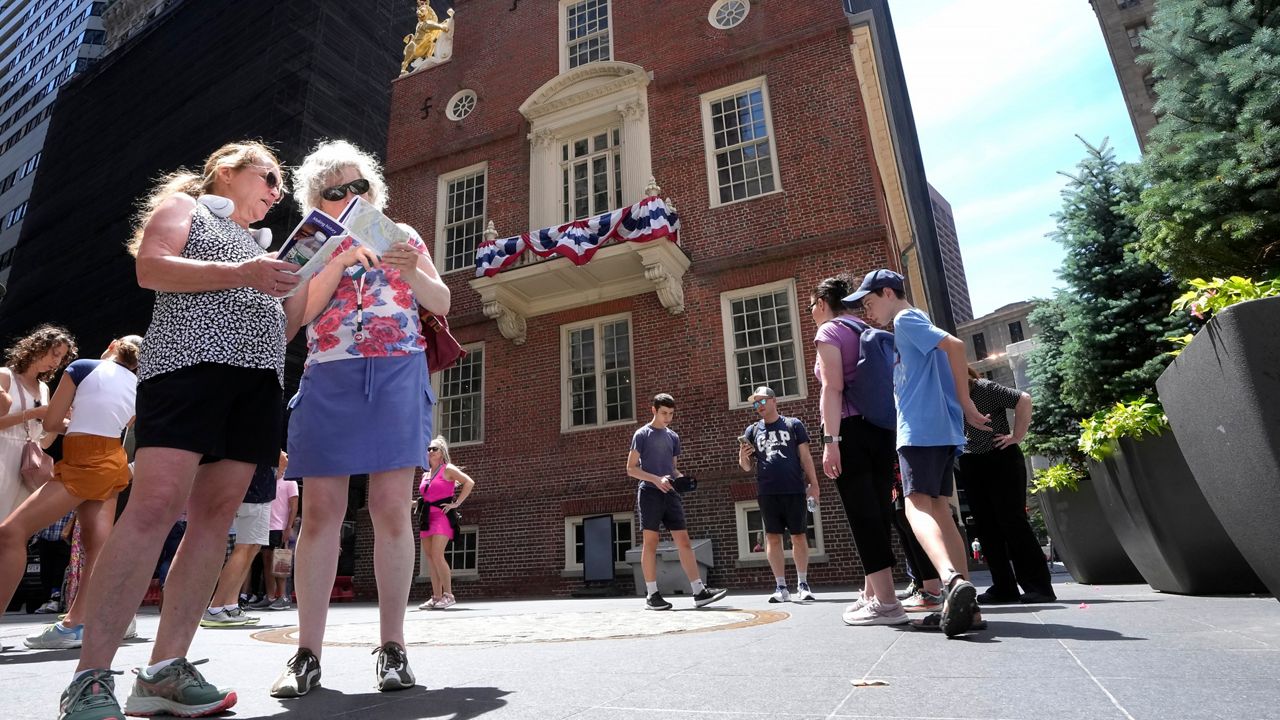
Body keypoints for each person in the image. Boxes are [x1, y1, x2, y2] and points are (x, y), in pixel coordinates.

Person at [56, 141, 308, 720]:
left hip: (257, 383)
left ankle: (165, 672)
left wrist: (328, 268)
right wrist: (243, 271)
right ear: (227, 169)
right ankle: (89, 678)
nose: (275, 191)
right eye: (268, 176)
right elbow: (151, 268)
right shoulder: (183, 208)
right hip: (188, 368)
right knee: (154, 508)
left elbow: (286, 324)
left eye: (281, 187)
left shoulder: (262, 249)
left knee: (215, 521)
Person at [269, 139, 449, 699]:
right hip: (330, 373)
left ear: (373, 190)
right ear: (316, 199)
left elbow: (440, 302)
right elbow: (291, 321)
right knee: (321, 514)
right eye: (335, 190)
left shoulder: (404, 234)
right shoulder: (307, 246)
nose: (350, 196)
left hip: (397, 371)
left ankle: (393, 648)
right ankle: (307, 656)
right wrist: (338, 259)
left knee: (392, 509)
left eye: (358, 186)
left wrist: (411, 269)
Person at [846, 268, 992, 638]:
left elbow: (955, 347)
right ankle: (966, 608)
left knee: (914, 506)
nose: (868, 310)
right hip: (940, 430)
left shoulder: (907, 319)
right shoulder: (910, 324)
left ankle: (950, 579)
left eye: (869, 301)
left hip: (921, 430)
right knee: (941, 509)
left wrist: (965, 403)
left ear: (888, 293)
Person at [5, 336, 143, 650]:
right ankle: (78, 624)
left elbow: (52, 422)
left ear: (111, 345)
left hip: (85, 461)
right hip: (111, 461)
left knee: (10, 532)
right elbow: (116, 426)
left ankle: (73, 624)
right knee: (97, 549)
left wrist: (70, 422)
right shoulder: (137, 388)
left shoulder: (83, 367)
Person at [808, 277, 915, 625]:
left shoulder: (829, 333)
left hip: (849, 430)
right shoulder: (861, 326)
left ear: (823, 302)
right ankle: (872, 593)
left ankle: (886, 603)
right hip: (882, 428)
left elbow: (832, 387)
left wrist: (830, 442)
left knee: (862, 513)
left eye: (811, 304)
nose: (811, 312)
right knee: (880, 510)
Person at [956, 369, 1055, 604]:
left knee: (1012, 522)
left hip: (1001, 456)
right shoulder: (952, 395)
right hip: (971, 461)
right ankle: (1003, 586)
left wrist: (1016, 436)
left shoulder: (983, 388)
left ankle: (1039, 587)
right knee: (986, 527)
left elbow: (1023, 399)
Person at [627, 392, 727, 611]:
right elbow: (631, 468)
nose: (667, 418)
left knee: (683, 541)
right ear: (653, 410)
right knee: (650, 543)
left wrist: (680, 478)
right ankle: (652, 595)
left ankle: (699, 591)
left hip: (670, 493)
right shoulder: (641, 434)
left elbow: (671, 468)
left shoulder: (673, 437)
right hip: (650, 493)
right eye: (664, 413)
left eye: (671, 414)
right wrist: (655, 479)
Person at [736, 386, 819, 603]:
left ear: (774, 401)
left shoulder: (793, 424)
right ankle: (781, 586)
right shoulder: (752, 430)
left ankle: (803, 584)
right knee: (772, 537)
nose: (759, 406)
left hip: (794, 489)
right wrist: (744, 456)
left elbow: (805, 457)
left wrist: (814, 484)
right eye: (755, 403)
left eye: (762, 401)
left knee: (799, 536)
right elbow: (745, 467)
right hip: (767, 492)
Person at [0, 324, 76, 520]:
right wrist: (34, 412)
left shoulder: (44, 389)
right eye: (54, 353)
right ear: (37, 347)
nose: (57, 361)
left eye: (61, 358)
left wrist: (58, 421)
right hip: (3, 455)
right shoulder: (5, 376)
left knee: (11, 528)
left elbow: (43, 442)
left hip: (27, 466)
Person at [199, 462, 277, 628]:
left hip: (259, 491)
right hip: (254, 492)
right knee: (244, 547)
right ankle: (216, 608)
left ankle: (230, 605)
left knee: (252, 547)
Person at [417, 436, 474, 610]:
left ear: (442, 453)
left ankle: (448, 595)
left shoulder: (447, 469)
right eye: (428, 449)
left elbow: (469, 482)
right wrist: (413, 503)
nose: (430, 452)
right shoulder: (426, 474)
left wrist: (456, 504)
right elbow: (426, 497)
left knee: (437, 554)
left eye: (434, 449)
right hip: (427, 517)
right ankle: (436, 596)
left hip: (442, 517)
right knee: (430, 558)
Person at [250, 452, 297, 611]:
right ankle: (270, 597)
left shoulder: (290, 482)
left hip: (279, 527)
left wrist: (288, 527)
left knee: (280, 562)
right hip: (265, 526)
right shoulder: (268, 481)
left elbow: (294, 507)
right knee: (267, 562)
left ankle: (283, 596)